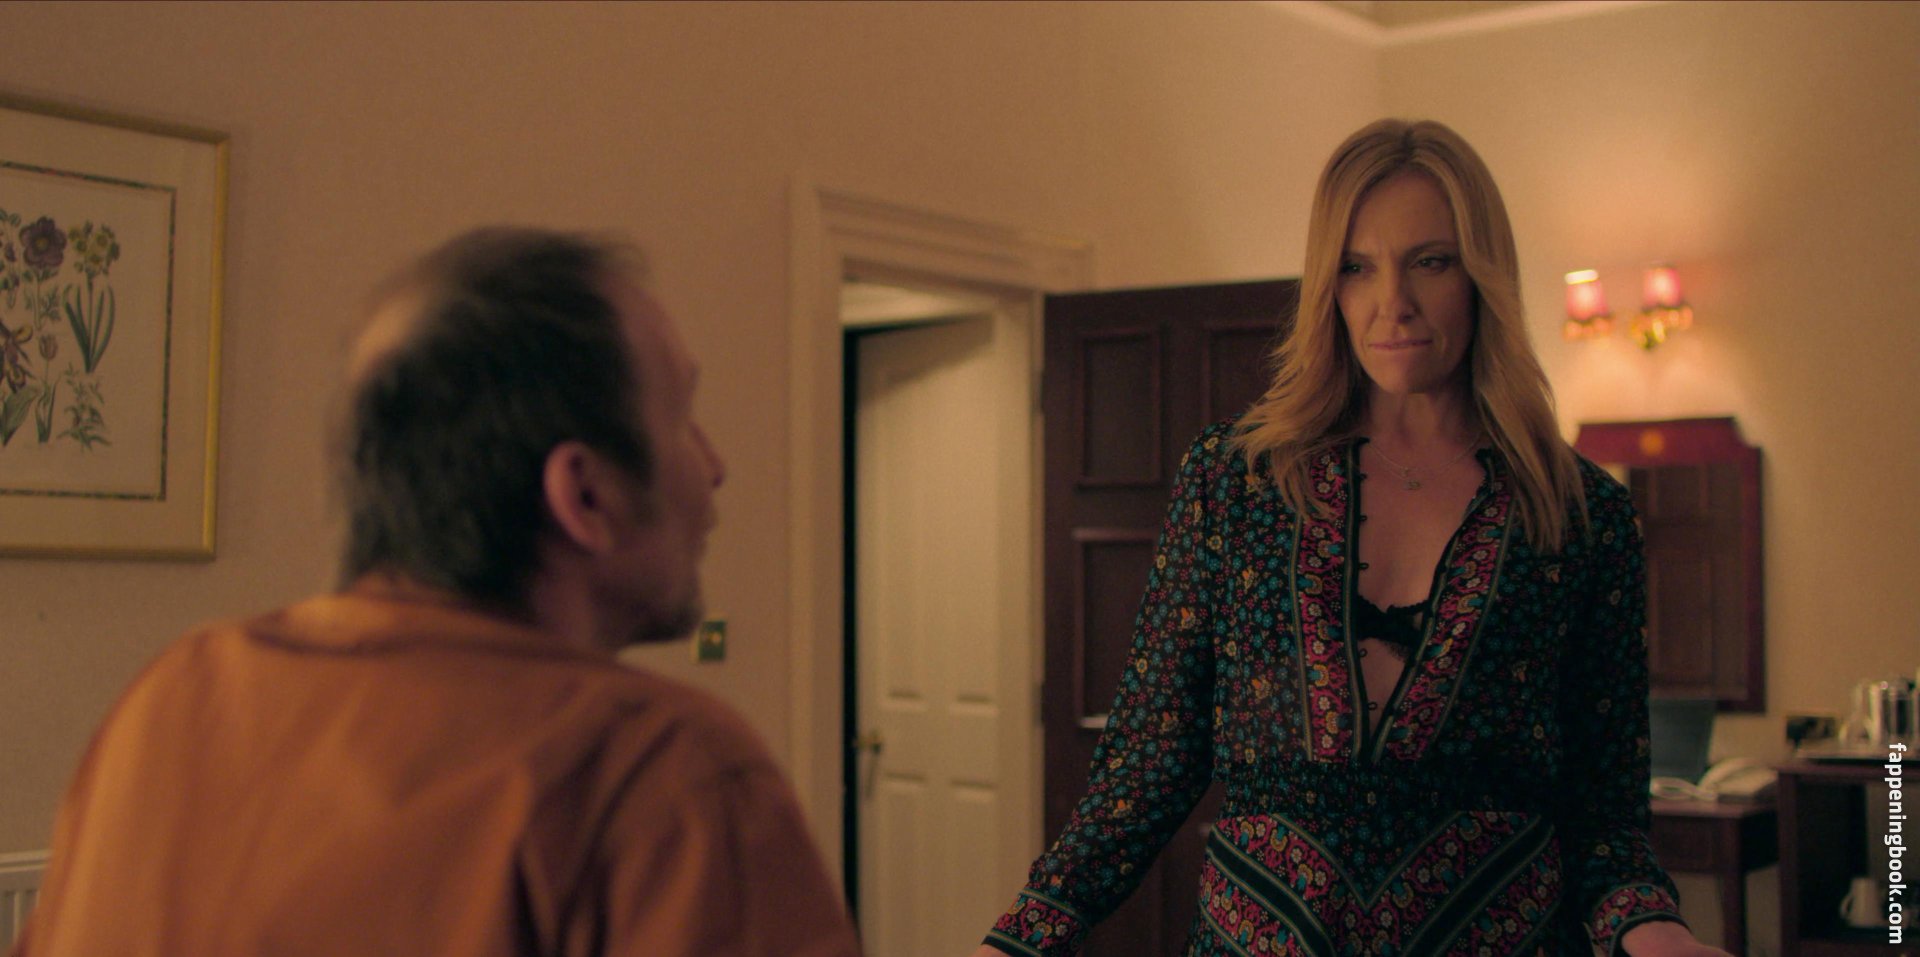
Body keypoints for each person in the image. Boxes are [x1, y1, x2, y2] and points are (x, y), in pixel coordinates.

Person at [973, 121, 1726, 956]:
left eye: (1430, 261)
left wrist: (1654, 929)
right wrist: (1021, 939)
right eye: (1357, 266)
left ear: (1483, 275)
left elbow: (1605, 814)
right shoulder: (1235, 482)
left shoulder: (1581, 514)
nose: (1391, 302)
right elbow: (1148, 765)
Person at [16, 228, 861, 957]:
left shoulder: (170, 702)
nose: (715, 466)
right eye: (683, 419)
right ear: (584, 495)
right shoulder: (662, 775)